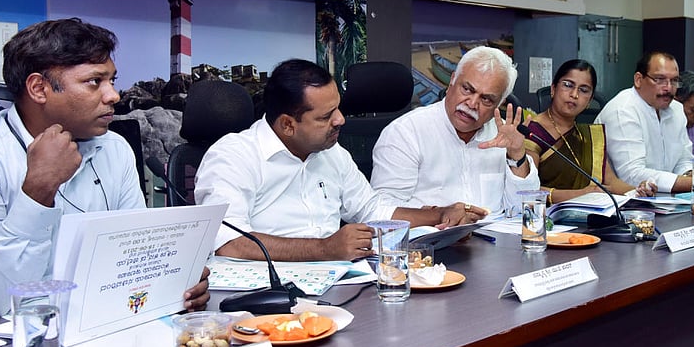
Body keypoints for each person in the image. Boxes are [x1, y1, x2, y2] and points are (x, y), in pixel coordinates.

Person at [0, 18, 210, 323]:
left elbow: (130, 257)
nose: (113, 96)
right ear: (39, 88)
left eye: (112, 81)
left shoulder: (114, 148)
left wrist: (172, 280)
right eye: (95, 82)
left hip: (79, 322)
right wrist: (39, 191)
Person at [194, 59, 474, 262]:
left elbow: (372, 209)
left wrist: (439, 215)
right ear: (288, 125)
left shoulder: (332, 153)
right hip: (263, 296)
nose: (340, 120)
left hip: (337, 282)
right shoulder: (233, 156)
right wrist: (324, 249)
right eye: (326, 116)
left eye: (338, 108)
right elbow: (230, 243)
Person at [371, 46, 539, 215]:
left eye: (486, 99)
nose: (472, 104)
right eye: (467, 89)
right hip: (428, 238)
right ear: (452, 80)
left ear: (500, 103)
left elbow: (526, 211)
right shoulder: (406, 132)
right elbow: (383, 212)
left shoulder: (502, 135)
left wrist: (516, 154)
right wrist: (437, 217)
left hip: (496, 238)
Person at [594, 51, 694, 193]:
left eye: (674, 81)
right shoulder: (623, 110)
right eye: (660, 79)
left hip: (664, 201)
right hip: (623, 203)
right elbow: (631, 175)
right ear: (639, 80)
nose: (668, 88)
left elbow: (683, 161)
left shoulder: (676, 109)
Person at [523, 59, 656, 203]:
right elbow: (528, 190)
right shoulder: (532, 131)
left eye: (583, 90)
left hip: (587, 217)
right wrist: (582, 194)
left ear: (590, 100)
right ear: (553, 89)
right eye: (568, 85)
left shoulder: (588, 137)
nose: (574, 94)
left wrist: (637, 191)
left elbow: (611, 183)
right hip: (544, 217)